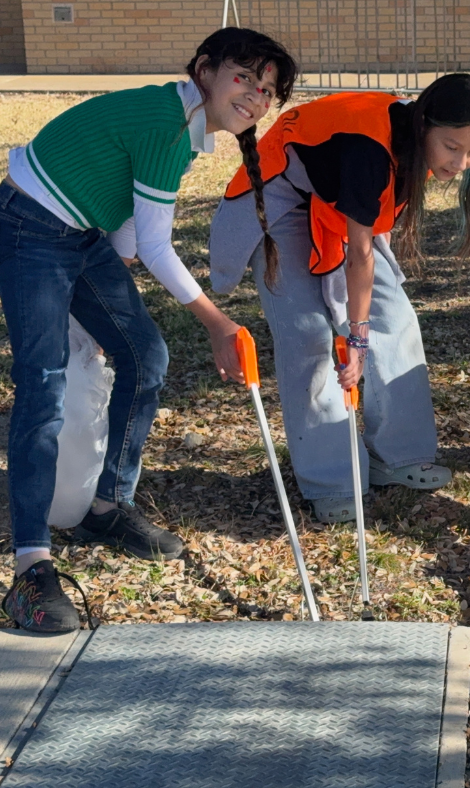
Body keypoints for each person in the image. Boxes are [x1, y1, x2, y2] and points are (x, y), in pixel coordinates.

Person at [0, 28, 297, 633]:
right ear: (206, 68)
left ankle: (105, 505)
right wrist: (217, 324)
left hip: (81, 234)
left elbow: (136, 221)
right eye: (245, 78)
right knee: (44, 384)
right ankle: (30, 567)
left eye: (268, 91)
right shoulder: (169, 123)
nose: (256, 98)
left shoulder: (184, 120)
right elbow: (160, 244)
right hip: (31, 228)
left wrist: (122, 249)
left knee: (146, 356)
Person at [210, 73, 470, 524]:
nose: (460, 163)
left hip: (338, 201)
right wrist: (356, 340)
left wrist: (365, 328)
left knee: (395, 318)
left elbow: (363, 248)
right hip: (285, 198)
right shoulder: (370, 151)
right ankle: (332, 479)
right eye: (451, 147)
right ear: (423, 126)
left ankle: (399, 457)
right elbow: (359, 254)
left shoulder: (411, 142)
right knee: (307, 333)